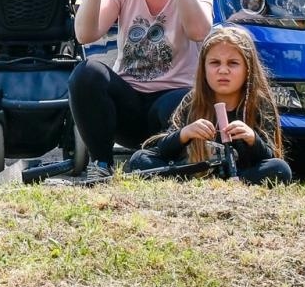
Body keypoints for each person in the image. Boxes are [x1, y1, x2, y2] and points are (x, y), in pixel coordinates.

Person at [70, 0, 214, 180]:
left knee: (182, 99)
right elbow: (85, 34)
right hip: (129, 105)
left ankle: (167, 161)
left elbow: (199, 31)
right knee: (86, 73)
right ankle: (101, 164)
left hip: (174, 105)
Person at [124, 24, 293, 186]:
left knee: (280, 169)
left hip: (243, 174)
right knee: (140, 159)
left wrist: (252, 139)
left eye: (233, 63)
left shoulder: (258, 102)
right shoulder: (193, 101)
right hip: (196, 173)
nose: (223, 70)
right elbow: (161, 151)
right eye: (215, 63)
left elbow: (271, 156)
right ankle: (194, 186)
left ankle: (232, 186)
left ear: (248, 69)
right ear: (203, 69)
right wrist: (184, 134)